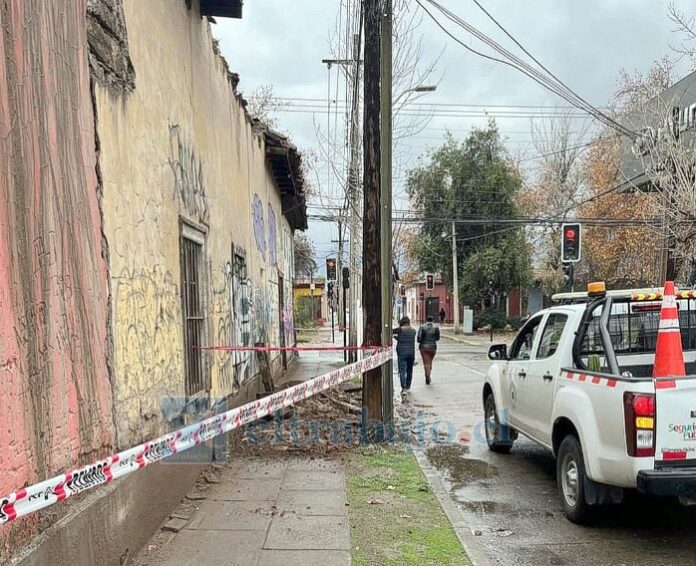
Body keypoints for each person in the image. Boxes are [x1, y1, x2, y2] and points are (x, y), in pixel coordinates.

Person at [393, 316, 416, 401]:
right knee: (410, 370)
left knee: (402, 371)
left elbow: (392, 332)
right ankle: (408, 385)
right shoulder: (413, 331)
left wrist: (396, 338)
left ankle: (404, 388)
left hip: (402, 354)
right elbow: (407, 339)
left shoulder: (400, 330)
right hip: (411, 353)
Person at [418, 316, 440, 385]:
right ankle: (428, 375)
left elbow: (419, 338)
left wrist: (422, 341)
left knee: (426, 362)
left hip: (424, 347)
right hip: (433, 347)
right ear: (432, 320)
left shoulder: (422, 327)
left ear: (426, 320)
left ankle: (427, 375)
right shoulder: (436, 328)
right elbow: (437, 338)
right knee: (430, 361)